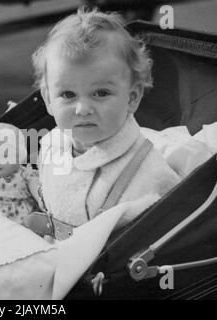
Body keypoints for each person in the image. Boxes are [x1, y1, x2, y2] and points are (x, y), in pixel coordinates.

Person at [30, 7, 181, 230]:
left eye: (101, 93)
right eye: (68, 95)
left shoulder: (150, 173)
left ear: (132, 98)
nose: (82, 109)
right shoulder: (52, 144)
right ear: (49, 100)